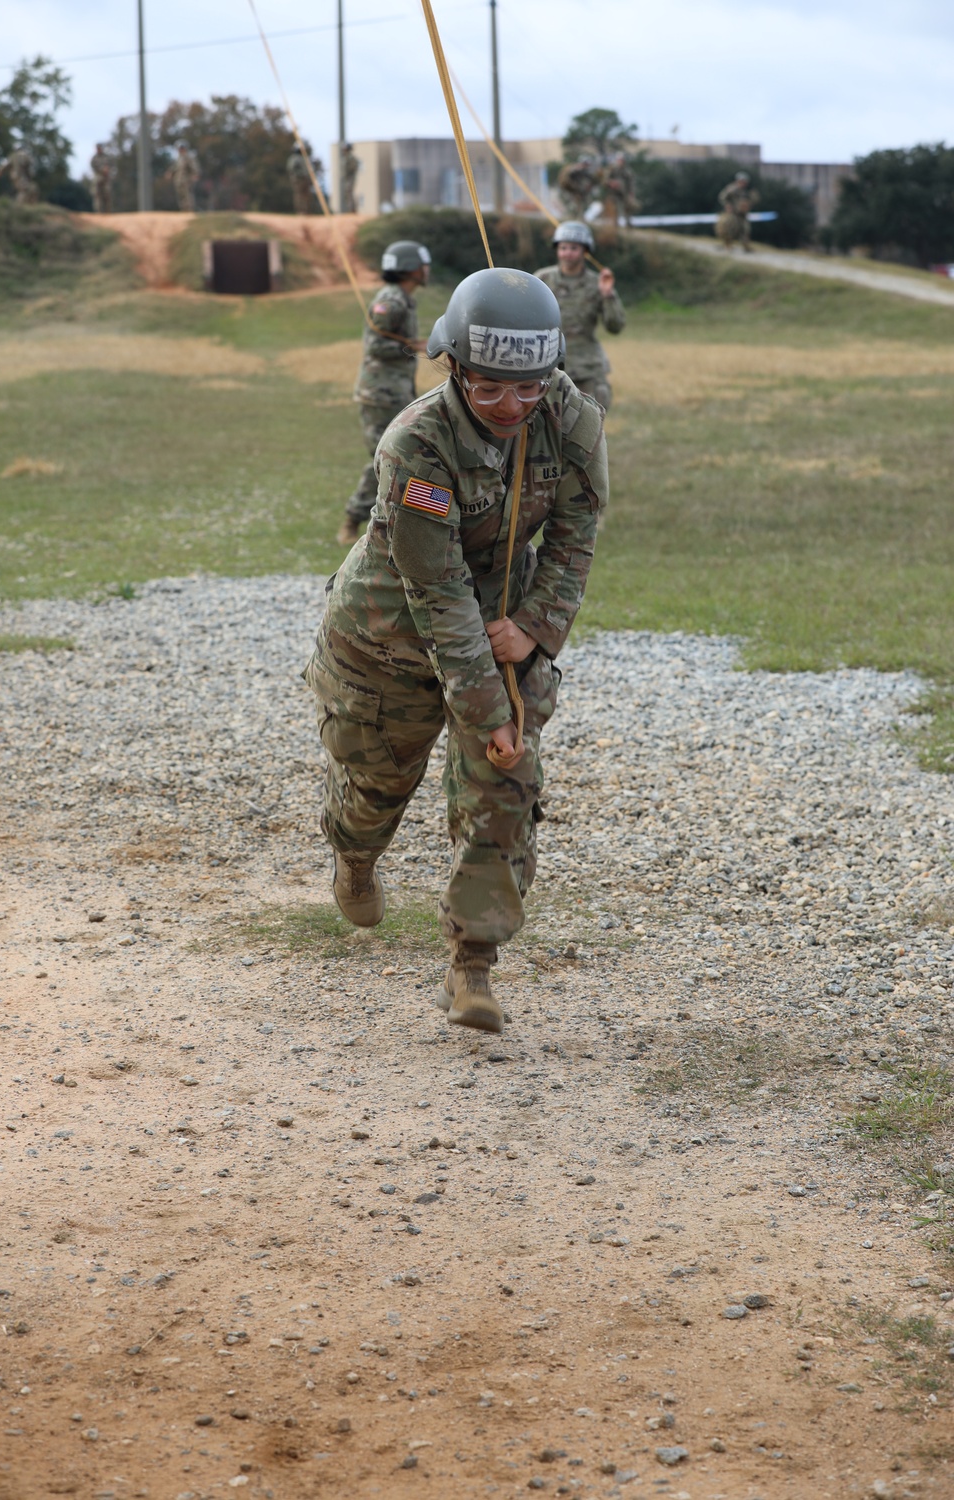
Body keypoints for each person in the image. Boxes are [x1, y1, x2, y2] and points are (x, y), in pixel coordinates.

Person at [305, 267, 607, 1035]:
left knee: (503, 794)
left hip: (505, 624)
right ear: (455, 369)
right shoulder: (415, 443)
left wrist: (536, 626)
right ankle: (356, 855)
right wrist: (483, 705)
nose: (513, 406)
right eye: (491, 389)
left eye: (530, 387)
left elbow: (575, 541)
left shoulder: (573, 423)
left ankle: (471, 964)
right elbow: (437, 595)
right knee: (377, 788)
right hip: (389, 640)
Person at [336, 240, 431, 547]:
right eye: (423, 264)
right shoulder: (391, 301)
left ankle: (395, 524)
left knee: (397, 459)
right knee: (385, 459)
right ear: (410, 269)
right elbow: (376, 345)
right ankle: (353, 519)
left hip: (395, 392)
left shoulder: (404, 298)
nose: (426, 270)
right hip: (380, 394)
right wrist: (412, 347)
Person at [535, 221, 625, 410]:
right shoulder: (542, 280)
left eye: (573, 248)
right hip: (548, 365)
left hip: (587, 369)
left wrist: (608, 295)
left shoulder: (597, 283)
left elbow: (615, 326)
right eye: (563, 247)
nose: (567, 253)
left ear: (585, 251)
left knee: (590, 423)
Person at [717, 170, 758, 251]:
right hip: (732, 213)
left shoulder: (745, 191)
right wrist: (727, 205)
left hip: (742, 214)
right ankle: (727, 245)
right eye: (743, 181)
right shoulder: (731, 189)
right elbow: (722, 197)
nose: (744, 183)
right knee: (729, 229)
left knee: (745, 229)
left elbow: (750, 201)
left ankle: (746, 246)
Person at [601, 151, 637, 227]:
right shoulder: (612, 169)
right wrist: (611, 183)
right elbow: (604, 180)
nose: (621, 162)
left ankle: (628, 224)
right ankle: (615, 225)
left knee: (627, 208)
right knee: (615, 209)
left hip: (624, 193)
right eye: (620, 160)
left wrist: (631, 194)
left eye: (623, 160)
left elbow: (631, 183)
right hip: (614, 193)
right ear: (617, 160)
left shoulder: (627, 171)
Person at [556, 155, 598, 220]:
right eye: (585, 164)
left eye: (587, 165)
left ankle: (577, 218)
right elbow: (568, 177)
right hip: (571, 193)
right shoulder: (575, 169)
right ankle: (571, 218)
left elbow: (591, 180)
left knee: (579, 209)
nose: (586, 166)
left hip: (578, 194)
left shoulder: (584, 172)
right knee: (572, 209)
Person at [171, 145, 200, 212]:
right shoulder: (178, 159)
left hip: (187, 180)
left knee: (188, 195)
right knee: (181, 195)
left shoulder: (189, 157)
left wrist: (195, 174)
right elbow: (175, 168)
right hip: (178, 180)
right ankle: (183, 209)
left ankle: (189, 210)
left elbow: (194, 167)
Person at [288, 145, 313, 214]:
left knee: (303, 196)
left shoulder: (301, 159)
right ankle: (302, 211)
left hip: (303, 179)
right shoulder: (296, 159)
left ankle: (304, 211)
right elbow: (292, 169)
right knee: (300, 196)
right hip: (299, 179)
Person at [90, 144, 113, 214]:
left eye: (100, 148)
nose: (99, 149)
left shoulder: (106, 157)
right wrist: (102, 170)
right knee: (97, 195)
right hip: (98, 178)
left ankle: (107, 211)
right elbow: (93, 167)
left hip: (106, 178)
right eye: (98, 148)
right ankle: (98, 211)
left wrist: (107, 170)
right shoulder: (94, 158)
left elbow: (111, 165)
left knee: (107, 194)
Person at [340, 142, 359, 213]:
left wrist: (347, 173)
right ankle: (350, 208)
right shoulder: (345, 158)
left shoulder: (351, 158)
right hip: (347, 178)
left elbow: (353, 167)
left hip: (351, 177)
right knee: (347, 193)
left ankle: (352, 209)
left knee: (349, 191)